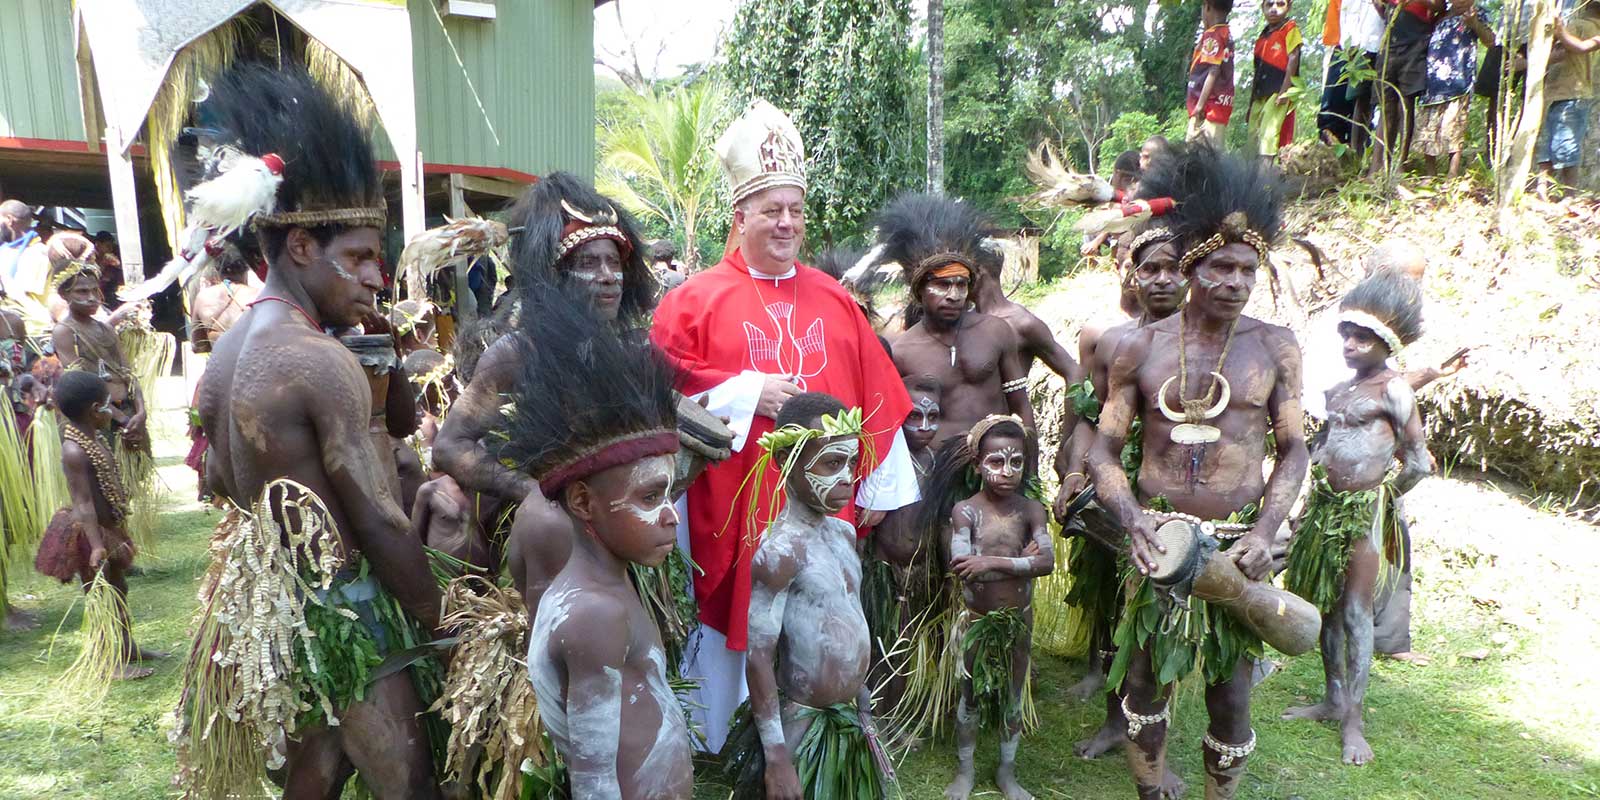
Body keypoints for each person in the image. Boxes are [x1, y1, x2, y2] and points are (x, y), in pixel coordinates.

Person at [174, 64, 444, 799]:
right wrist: (445, 621)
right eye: (357, 256)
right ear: (299, 249)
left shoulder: (229, 354)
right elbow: (382, 520)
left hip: (277, 613)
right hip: (348, 614)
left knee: (312, 781)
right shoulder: (316, 362)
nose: (377, 276)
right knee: (415, 785)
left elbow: (224, 484)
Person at [649, 99, 917, 752]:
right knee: (744, 604)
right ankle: (731, 734)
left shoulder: (832, 297)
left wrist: (874, 487)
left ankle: (817, 726)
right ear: (740, 216)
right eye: (771, 210)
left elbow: (876, 393)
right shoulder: (692, 301)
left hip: (821, 504)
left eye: (795, 209)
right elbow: (660, 399)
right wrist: (745, 393)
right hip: (734, 503)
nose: (786, 222)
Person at [1089, 143, 1308, 800]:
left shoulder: (1274, 347)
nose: (1237, 281)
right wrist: (1130, 519)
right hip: (1159, 543)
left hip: (1239, 548)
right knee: (1144, 687)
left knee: (1232, 698)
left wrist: (1267, 531)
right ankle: (1152, 792)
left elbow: (1294, 449)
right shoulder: (1140, 347)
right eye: (1222, 268)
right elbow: (1104, 450)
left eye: (1248, 269)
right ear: (1191, 269)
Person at [503, 275, 694, 798]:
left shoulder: (606, 582)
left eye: (670, 494)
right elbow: (593, 783)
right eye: (650, 497)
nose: (671, 515)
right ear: (584, 502)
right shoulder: (593, 614)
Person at [1054, 219, 1189, 797]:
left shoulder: (1206, 344)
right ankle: (1117, 721)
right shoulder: (1109, 342)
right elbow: (1086, 416)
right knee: (1114, 607)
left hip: (1171, 495)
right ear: (1131, 275)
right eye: (1150, 268)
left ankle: (1159, 747)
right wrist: (1072, 473)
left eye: (1173, 267)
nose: (1162, 280)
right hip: (1114, 489)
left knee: (1165, 620)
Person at [1282, 268, 1433, 766]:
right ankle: (1331, 697)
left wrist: (1380, 501)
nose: (1349, 343)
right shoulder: (1340, 391)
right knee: (1325, 604)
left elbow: (1418, 461)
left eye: (1361, 337)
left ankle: (1355, 721)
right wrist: (1310, 500)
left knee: (1354, 611)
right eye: (1346, 334)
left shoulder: (1394, 391)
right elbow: (1326, 446)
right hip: (1325, 510)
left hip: (1363, 514)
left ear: (1384, 343)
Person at [727, 391, 894, 799]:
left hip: (846, 717)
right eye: (832, 463)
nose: (846, 477)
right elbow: (759, 657)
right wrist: (778, 758)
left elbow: (846, 617)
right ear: (786, 463)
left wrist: (862, 700)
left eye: (852, 463)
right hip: (802, 726)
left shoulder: (843, 533)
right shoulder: (781, 552)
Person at [920, 414, 1053, 800]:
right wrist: (1020, 563)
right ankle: (965, 771)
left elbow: (1047, 563)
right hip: (975, 622)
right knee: (970, 696)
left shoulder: (1032, 511)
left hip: (1017, 623)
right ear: (978, 464)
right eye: (996, 462)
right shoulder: (966, 510)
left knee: (1013, 695)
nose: (1007, 471)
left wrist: (991, 562)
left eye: (1016, 462)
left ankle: (1007, 772)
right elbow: (965, 570)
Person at [32, 370, 164, 678]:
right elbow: (83, 502)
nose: (113, 411)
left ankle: (127, 645)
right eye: (109, 405)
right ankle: (109, 661)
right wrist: (96, 545)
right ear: (95, 410)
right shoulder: (75, 449)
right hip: (92, 536)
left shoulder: (94, 437)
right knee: (102, 596)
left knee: (119, 588)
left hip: (109, 529)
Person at [879, 192, 1036, 449]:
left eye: (961, 285)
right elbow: (893, 427)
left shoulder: (996, 332)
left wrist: (1029, 463)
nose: (954, 295)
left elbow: (1021, 406)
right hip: (934, 473)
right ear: (920, 291)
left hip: (995, 467)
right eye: (942, 285)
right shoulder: (901, 352)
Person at [861, 374, 943, 716]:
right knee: (878, 641)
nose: (924, 427)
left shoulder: (939, 462)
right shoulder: (882, 457)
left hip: (921, 573)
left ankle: (898, 713)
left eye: (933, 417)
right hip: (882, 572)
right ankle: (873, 712)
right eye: (914, 416)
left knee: (906, 644)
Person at [48, 245, 147, 453]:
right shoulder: (65, 332)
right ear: (64, 295)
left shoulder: (105, 329)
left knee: (132, 480)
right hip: (99, 415)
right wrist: (120, 418)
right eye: (82, 291)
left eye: (95, 290)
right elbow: (80, 384)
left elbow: (128, 372)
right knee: (106, 479)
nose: (92, 297)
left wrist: (141, 411)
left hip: (128, 411)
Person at [1416, 0, 1496, 178]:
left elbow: (1490, 40)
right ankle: (1430, 174)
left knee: (1453, 129)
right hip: (1432, 85)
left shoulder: (1477, 13)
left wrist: (1474, 23)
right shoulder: (1441, 15)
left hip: (1459, 82)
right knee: (1428, 128)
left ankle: (1452, 174)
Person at [1371, 0, 1440, 172]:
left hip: (1416, 41)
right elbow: (1380, 8)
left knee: (1405, 104)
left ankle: (1400, 163)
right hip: (1390, 41)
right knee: (1385, 104)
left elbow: (1439, 6)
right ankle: (1377, 164)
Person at [1540, 7, 1600, 192]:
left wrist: (1561, 31)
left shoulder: (1585, 28)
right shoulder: (1577, 24)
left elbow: (1578, 48)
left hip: (1574, 95)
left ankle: (1569, 193)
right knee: (1547, 146)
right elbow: (1561, 53)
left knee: (1566, 147)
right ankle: (1542, 190)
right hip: (1558, 92)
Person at [1318, 0, 1386, 154]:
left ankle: (1356, 156)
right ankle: (1329, 157)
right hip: (1343, 45)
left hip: (1371, 45)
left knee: (1361, 102)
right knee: (1332, 105)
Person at [1248, 0, 1303, 163]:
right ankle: (1250, 174)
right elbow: (1256, 71)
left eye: (1280, 4)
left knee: (1268, 133)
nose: (1274, 9)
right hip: (1260, 94)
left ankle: (1266, 175)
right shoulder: (1262, 37)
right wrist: (1251, 103)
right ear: (1263, 7)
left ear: (1289, 7)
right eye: (1269, 4)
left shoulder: (1290, 29)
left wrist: (1285, 90)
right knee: (1252, 133)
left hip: (1277, 92)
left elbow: (1294, 57)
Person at [188, 242, 259, 353]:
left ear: (216, 269)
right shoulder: (257, 295)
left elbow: (197, 346)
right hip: (251, 362)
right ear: (246, 270)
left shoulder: (203, 297)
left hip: (220, 366)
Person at [1186, 0, 1237, 144]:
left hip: (1207, 110)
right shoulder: (1226, 33)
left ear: (1206, 7)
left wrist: (1200, 106)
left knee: (1198, 157)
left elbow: (1213, 71)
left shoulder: (1213, 35)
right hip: (1220, 107)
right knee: (1213, 156)